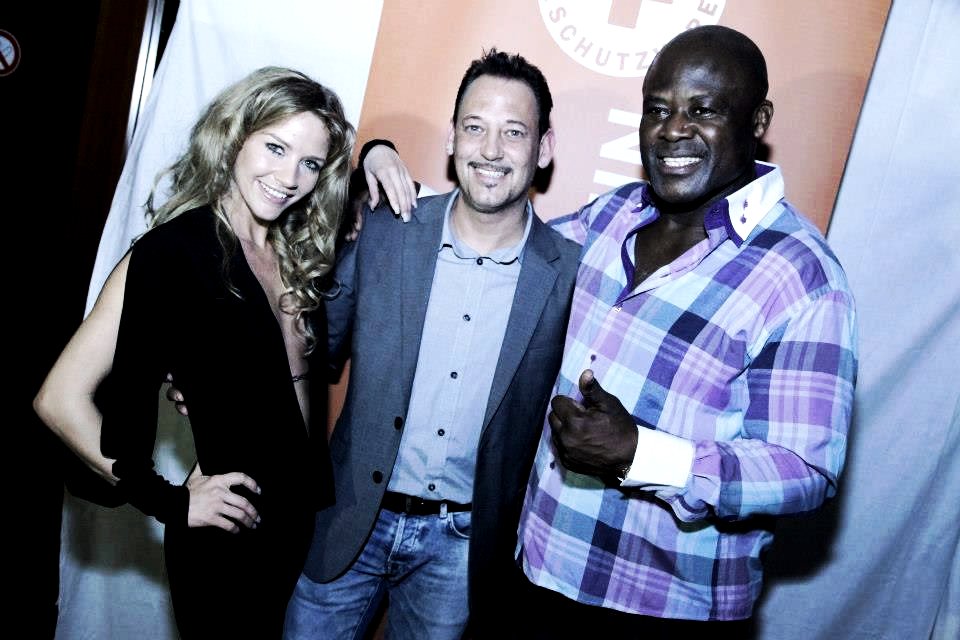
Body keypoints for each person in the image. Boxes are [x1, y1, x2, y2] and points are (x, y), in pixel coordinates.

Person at [365, 24, 858, 638]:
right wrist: (381, 165)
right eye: (659, 109)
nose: (674, 129)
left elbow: (805, 469)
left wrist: (642, 455)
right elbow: (494, 231)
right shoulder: (615, 213)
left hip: (661, 607)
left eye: (703, 110)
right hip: (531, 572)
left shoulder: (804, 275)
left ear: (758, 121)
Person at [34, 66, 360, 638]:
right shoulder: (173, 253)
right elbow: (58, 398)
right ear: (235, 137)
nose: (290, 177)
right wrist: (169, 502)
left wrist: (377, 154)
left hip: (299, 530)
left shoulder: (293, 255)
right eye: (276, 147)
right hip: (226, 540)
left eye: (310, 163)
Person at [280, 49, 581, 640]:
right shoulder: (385, 230)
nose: (490, 150)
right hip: (349, 519)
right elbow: (310, 349)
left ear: (543, 148)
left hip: (460, 550)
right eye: (475, 127)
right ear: (451, 139)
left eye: (513, 132)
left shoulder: (569, 273)